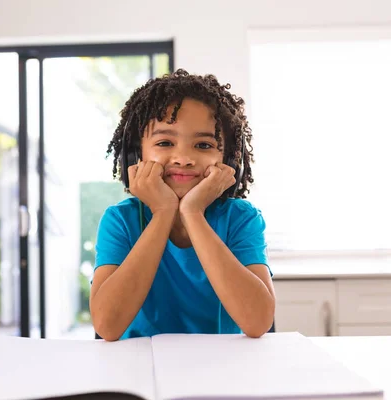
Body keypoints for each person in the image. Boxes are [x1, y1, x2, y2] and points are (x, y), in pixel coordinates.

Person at [89, 69, 274, 341]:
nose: (184, 158)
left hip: (222, 368)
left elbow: (258, 323)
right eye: (165, 142)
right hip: (138, 370)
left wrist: (192, 212)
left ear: (229, 159)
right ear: (135, 154)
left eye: (203, 145)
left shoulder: (241, 219)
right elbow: (107, 325)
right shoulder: (120, 221)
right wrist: (163, 212)